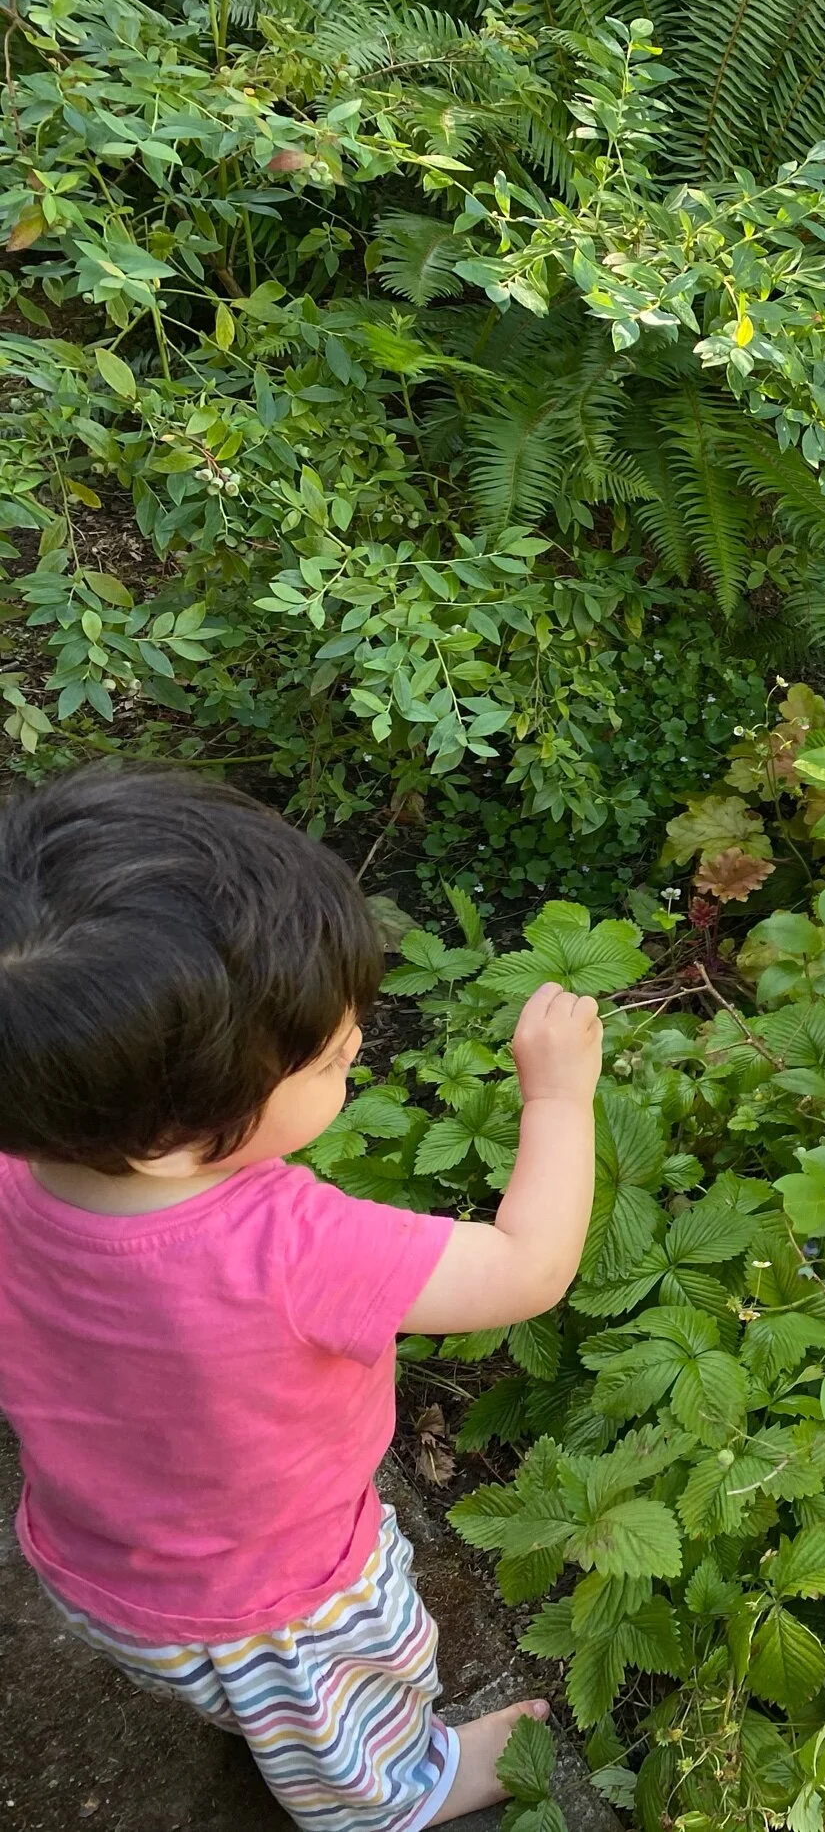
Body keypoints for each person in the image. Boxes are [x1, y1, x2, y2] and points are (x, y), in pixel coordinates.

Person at [0, 765, 605, 1830]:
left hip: (92, 1562)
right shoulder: (289, 1248)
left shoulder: (17, 1170)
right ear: (174, 1138)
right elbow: (528, 1268)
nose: (358, 1049)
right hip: (291, 1609)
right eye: (328, 1060)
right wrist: (557, 1097)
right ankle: (408, 1791)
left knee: (226, 1690)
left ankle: (242, 1712)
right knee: (345, 1734)